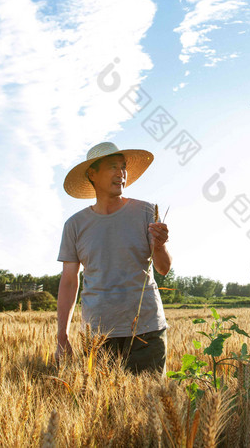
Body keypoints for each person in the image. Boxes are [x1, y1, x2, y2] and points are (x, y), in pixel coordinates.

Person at [55, 141, 172, 375]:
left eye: (123, 167)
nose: (121, 174)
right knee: (106, 409)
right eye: (112, 167)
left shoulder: (146, 212)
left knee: (149, 407)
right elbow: (69, 281)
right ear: (92, 174)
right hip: (98, 336)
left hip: (147, 331)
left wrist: (160, 246)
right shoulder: (75, 225)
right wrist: (62, 336)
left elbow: (163, 268)